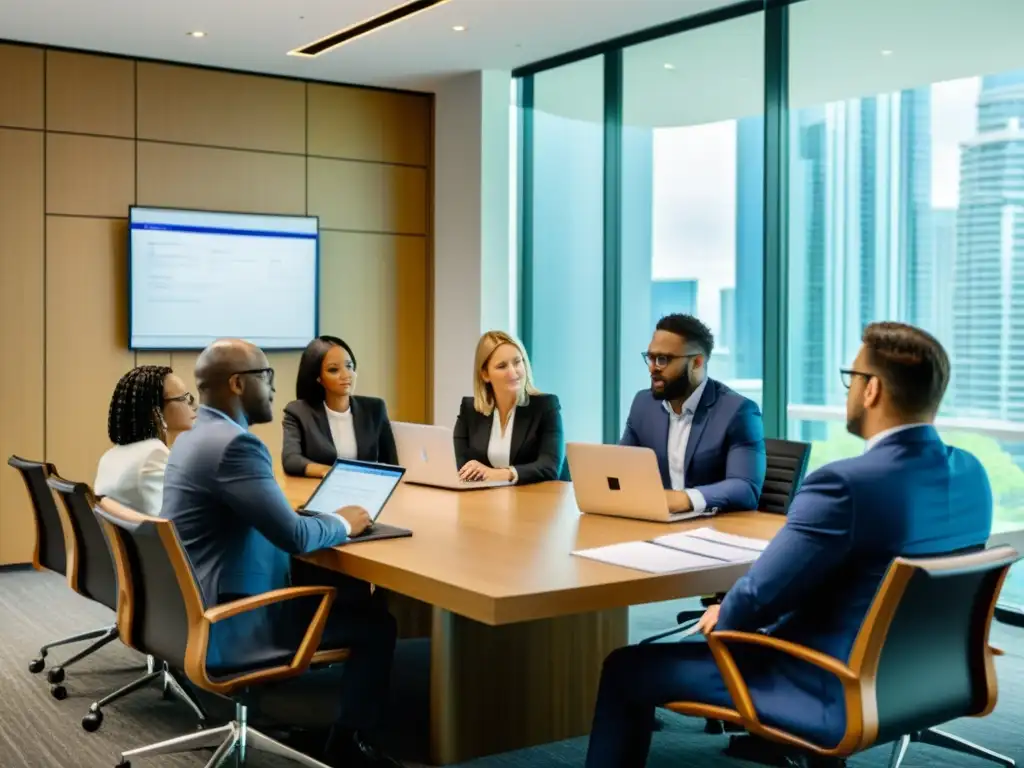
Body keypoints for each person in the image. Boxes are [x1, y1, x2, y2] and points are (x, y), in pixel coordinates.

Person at [585, 321, 994, 768]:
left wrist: (725, 613)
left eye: (851, 379)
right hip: (927, 676)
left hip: (827, 683)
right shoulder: (973, 474)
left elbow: (759, 597)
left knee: (626, 668)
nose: (848, 392)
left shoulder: (843, 485)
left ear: (872, 390)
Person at [161, 339, 400, 767]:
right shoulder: (238, 446)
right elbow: (295, 537)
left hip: (191, 607)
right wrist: (345, 522)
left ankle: (297, 703)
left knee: (344, 594)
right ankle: (349, 742)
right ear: (237, 383)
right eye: (265, 376)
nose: (273, 388)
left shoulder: (194, 437)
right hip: (233, 620)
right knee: (376, 624)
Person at [622, 313, 766, 514]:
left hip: (714, 529)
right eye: (651, 358)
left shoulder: (738, 411)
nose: (653, 368)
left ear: (697, 362)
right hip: (657, 523)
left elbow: (745, 488)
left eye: (663, 359)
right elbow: (622, 469)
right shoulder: (643, 405)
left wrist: (684, 498)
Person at [453, 330, 565, 485]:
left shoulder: (546, 407)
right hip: (483, 500)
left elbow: (549, 467)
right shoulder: (470, 410)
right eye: (502, 366)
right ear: (485, 375)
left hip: (535, 500)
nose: (513, 372)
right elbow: (461, 465)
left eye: (517, 362)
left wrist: (501, 474)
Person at [282, 335, 399, 477]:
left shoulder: (375, 409)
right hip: (317, 490)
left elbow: (392, 464)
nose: (346, 375)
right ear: (318, 378)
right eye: (333, 370)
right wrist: (329, 473)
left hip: (366, 491)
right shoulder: (298, 412)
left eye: (349, 366)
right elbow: (291, 460)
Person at [94, 365, 196, 516]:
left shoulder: (110, 456)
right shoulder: (153, 455)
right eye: (184, 398)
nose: (194, 405)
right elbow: (172, 522)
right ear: (156, 412)